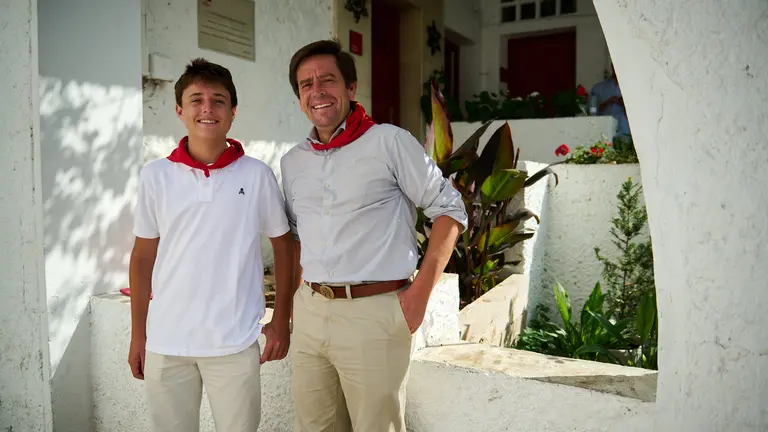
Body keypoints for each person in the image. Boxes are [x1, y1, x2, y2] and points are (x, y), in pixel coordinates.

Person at [281, 39, 468, 432]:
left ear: (351, 88)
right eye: (305, 85)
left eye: (327, 80)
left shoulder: (390, 142)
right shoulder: (293, 161)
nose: (317, 91)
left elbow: (450, 210)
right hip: (312, 312)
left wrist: (419, 296)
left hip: (375, 313)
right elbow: (300, 236)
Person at [127, 58, 295, 432]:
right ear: (179, 111)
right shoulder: (155, 176)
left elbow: (285, 248)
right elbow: (142, 258)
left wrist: (280, 320)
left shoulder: (256, 175)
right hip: (167, 343)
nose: (207, 109)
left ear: (233, 112)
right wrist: (139, 334)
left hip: (234, 344)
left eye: (218, 100)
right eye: (196, 99)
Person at [590, 63, 631, 138]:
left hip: (625, 131)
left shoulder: (630, 88)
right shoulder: (597, 88)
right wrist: (607, 102)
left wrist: (624, 104)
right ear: (612, 66)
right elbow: (592, 112)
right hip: (604, 132)